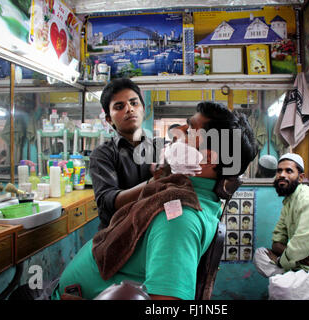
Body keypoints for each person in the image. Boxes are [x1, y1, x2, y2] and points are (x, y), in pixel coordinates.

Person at [51, 101, 258, 300]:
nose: (178, 131)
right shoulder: (180, 191)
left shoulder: (180, 220)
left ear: (210, 158)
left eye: (189, 130)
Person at [253, 153, 309, 300]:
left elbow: (301, 246)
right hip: (300, 263)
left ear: (300, 177)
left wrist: (283, 259)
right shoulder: (289, 201)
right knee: (260, 254)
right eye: (279, 171)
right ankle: (292, 277)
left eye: (288, 171)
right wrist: (299, 257)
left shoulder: (308, 200)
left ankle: (295, 281)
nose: (282, 175)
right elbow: (277, 242)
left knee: (278, 287)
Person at [89, 78, 164, 230]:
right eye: (119, 106)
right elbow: (107, 201)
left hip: (155, 232)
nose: (129, 109)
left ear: (143, 108)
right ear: (109, 119)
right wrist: (154, 181)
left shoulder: (161, 148)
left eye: (134, 103)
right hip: (117, 235)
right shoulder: (102, 155)